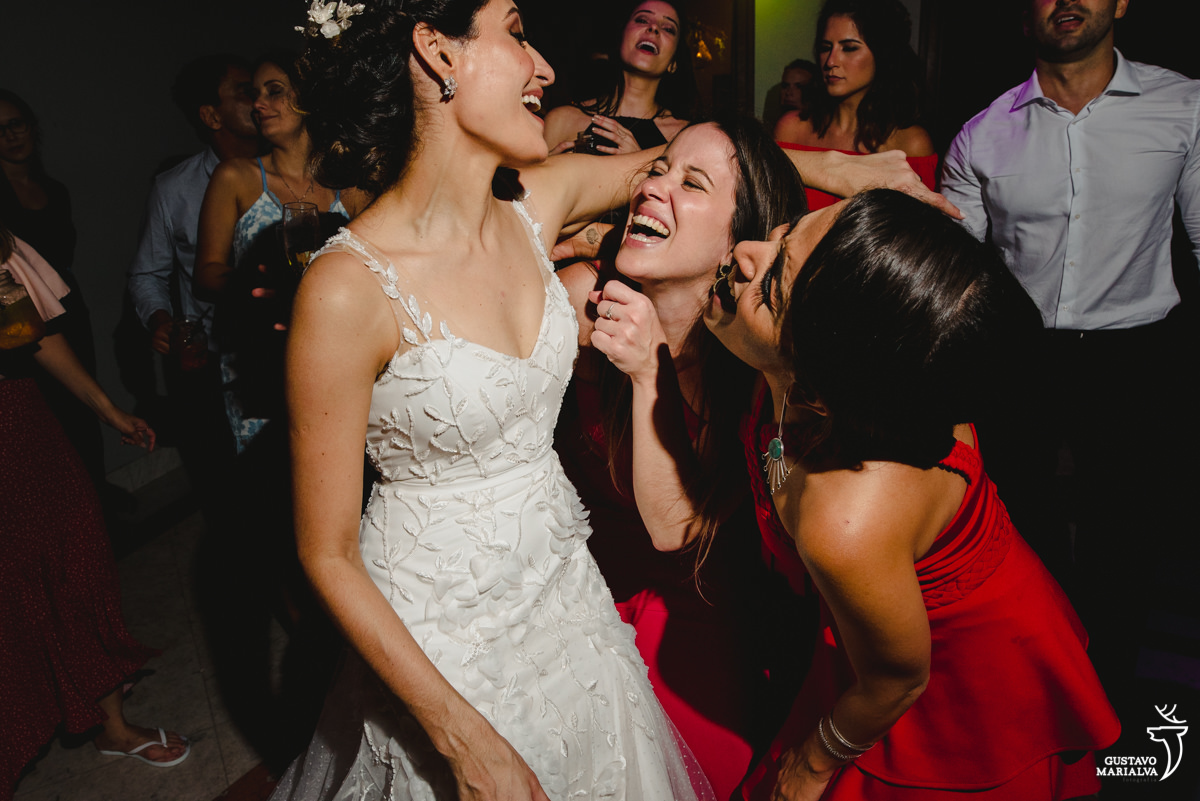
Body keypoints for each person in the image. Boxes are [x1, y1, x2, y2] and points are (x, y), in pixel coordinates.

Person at [705, 189, 1121, 801]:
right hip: (880, 623)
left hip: (954, 678)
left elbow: (898, 676)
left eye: (772, 285)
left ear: (824, 388)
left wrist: (818, 759)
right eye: (787, 230)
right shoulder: (882, 371)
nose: (745, 251)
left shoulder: (844, 520)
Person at [938, 0, 1200, 726]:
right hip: (1021, 360)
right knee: (1016, 533)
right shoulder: (983, 133)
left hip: (1138, 357)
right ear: (1027, 13)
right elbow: (955, 273)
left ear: (1122, 4)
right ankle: (1030, 696)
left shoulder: (1184, 106)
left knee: (1130, 539)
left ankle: (1106, 707)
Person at [553, 115, 810, 799]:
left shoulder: (752, 363)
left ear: (738, 239)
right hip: (577, 585)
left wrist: (645, 375)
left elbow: (676, 532)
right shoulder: (585, 295)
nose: (655, 188)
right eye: (658, 170)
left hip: (693, 604)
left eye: (691, 182)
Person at [0, 226, 189, 798]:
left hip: (18, 419)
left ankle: (112, 724)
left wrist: (108, 410)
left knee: (79, 554)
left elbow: (30, 335)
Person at [126, 53, 259, 503]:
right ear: (210, 114)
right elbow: (148, 273)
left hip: (290, 348)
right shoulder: (174, 189)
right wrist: (160, 319)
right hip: (214, 365)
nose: (257, 98)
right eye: (243, 90)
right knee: (229, 483)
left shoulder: (293, 174)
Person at [0, 88, 107, 489]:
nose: (10, 136)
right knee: (45, 416)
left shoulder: (54, 188)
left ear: (32, 127)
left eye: (16, 124)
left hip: (65, 306)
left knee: (82, 406)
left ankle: (96, 508)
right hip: (16, 316)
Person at [773, 0, 935, 210]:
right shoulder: (792, 128)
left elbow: (915, 235)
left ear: (882, 55)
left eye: (849, 48)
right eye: (825, 48)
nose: (831, 61)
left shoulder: (911, 143)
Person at [542, 0, 693, 155]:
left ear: (673, 63)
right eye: (642, 20)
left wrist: (637, 163)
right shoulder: (561, 121)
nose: (654, 27)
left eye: (668, 29)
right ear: (619, 40)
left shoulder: (684, 136)